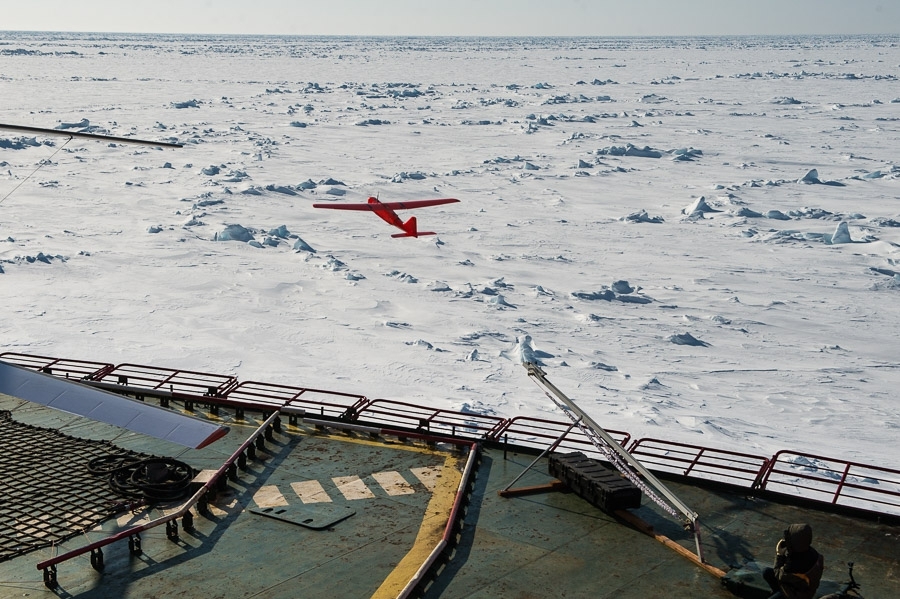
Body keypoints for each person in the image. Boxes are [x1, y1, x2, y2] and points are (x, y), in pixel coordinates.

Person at [763, 523, 825, 599]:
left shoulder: (793, 565)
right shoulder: (813, 553)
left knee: (770, 574)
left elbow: (778, 574)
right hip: (803, 587)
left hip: (795, 594)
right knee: (766, 572)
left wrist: (779, 554)